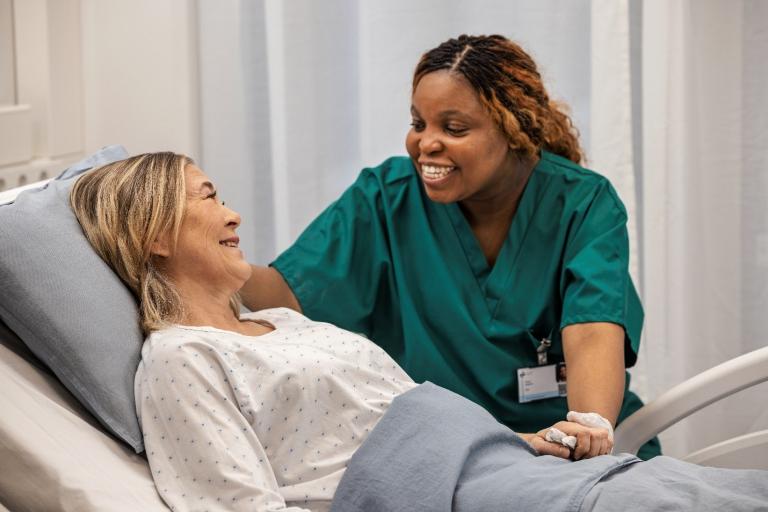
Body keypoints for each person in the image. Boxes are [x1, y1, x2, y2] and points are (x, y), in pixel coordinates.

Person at [70, 153, 768, 512]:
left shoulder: (281, 326)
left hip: (507, 465)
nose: (234, 214)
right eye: (209, 198)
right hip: (454, 496)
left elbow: (393, 416)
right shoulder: (181, 358)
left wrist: (536, 441)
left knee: (698, 491)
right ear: (155, 232)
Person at [239, 34, 660, 459]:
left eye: (453, 128)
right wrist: (221, 265)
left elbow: (593, 329)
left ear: (515, 128)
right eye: (418, 124)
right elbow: (291, 295)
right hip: (454, 452)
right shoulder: (387, 199)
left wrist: (584, 439)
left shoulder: (582, 203)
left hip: (573, 442)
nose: (426, 144)